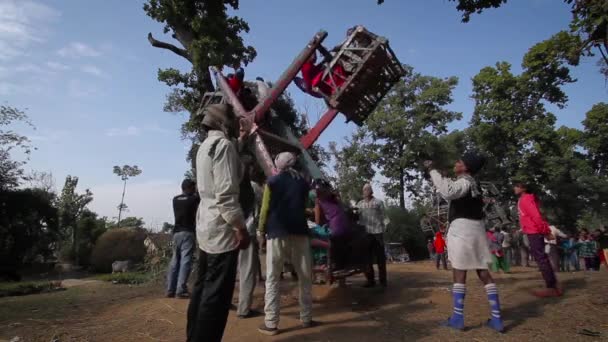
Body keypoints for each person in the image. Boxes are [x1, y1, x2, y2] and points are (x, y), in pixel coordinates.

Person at [186, 104, 250, 342]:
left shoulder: (205, 147)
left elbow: (233, 173)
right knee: (216, 297)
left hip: (206, 227)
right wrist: (240, 227)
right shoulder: (223, 146)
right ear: (224, 123)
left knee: (202, 290)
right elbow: (226, 194)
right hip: (222, 230)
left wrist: (241, 141)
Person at [425, 153, 504, 333]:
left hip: (462, 230)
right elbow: (454, 190)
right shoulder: (473, 184)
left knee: (459, 272)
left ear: (466, 167)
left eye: (459, 161)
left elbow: (449, 191)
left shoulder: (464, 182)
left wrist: (432, 171)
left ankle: (458, 318)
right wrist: (443, 176)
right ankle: (497, 319)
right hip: (477, 229)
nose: (456, 162)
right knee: (483, 272)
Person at [257, 152, 315, 336]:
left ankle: (271, 323)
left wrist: (260, 230)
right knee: (305, 276)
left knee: (273, 277)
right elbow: (305, 204)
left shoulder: (272, 182)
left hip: (276, 231)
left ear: (278, 164)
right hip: (300, 231)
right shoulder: (303, 183)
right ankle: (306, 318)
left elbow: (265, 208)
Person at [514, 182, 561, 297]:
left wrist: (546, 231)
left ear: (524, 188)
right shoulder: (524, 199)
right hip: (532, 231)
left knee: (541, 259)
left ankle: (551, 287)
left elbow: (536, 216)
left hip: (534, 231)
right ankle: (553, 286)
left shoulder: (526, 199)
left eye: (517, 186)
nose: (514, 188)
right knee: (541, 258)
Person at [236, 157, 264, 319]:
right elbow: (262, 208)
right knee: (246, 271)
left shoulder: (230, 184)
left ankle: (224, 303)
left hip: (228, 232)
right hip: (247, 231)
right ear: (250, 170)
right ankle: (244, 308)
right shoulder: (254, 187)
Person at [166, 179, 200, 298]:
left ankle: (170, 289)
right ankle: (181, 290)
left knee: (175, 260)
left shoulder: (175, 199)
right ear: (190, 188)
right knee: (185, 260)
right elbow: (200, 197)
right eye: (193, 187)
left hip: (176, 233)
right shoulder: (193, 199)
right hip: (187, 233)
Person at [313, 179, 353, 270]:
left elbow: (317, 221)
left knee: (313, 236)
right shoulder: (335, 197)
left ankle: (321, 261)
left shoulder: (318, 201)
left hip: (336, 229)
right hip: (346, 225)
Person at [357, 183, 387, 288]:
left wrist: (385, 228)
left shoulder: (378, 203)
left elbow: (385, 216)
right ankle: (370, 281)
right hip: (366, 234)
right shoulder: (359, 204)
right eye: (364, 190)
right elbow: (356, 218)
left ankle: (383, 281)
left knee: (380, 259)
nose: (366, 191)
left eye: (368, 189)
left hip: (378, 232)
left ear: (372, 191)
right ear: (362, 192)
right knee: (367, 259)